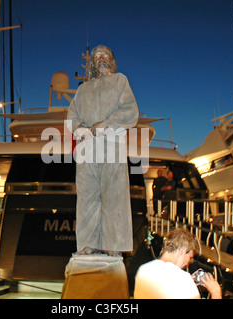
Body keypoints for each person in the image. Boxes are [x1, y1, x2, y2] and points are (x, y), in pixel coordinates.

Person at [66, 45, 139, 256]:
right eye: (97, 56)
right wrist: (79, 128)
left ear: (112, 60)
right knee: (87, 197)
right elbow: (72, 115)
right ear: (92, 62)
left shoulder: (120, 81)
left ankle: (113, 245)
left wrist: (106, 124)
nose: (101, 58)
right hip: (87, 150)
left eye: (105, 54)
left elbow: (130, 110)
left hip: (112, 146)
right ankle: (88, 243)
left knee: (113, 195)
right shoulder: (83, 90)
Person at [134, 228, 222, 299]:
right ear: (183, 250)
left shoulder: (143, 269)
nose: (188, 263)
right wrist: (216, 293)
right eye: (190, 258)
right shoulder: (183, 279)